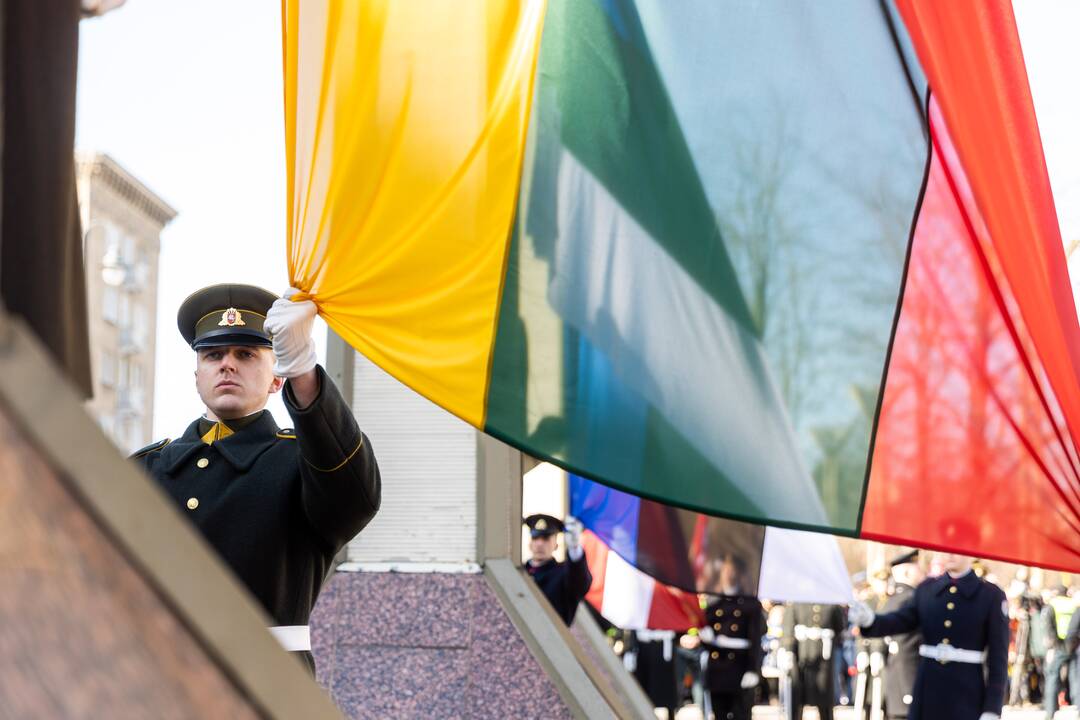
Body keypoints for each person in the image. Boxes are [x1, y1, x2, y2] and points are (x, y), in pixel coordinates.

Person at [131, 284, 381, 673]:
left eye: (246, 354)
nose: (227, 364)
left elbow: (355, 496)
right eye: (213, 355)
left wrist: (304, 373)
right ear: (197, 375)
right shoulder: (145, 468)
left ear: (276, 379)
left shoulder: (300, 462)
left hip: (265, 685)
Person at [850, 552, 1008, 720]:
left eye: (958, 549)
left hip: (967, 694)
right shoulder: (927, 590)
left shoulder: (990, 595)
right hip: (928, 691)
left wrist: (992, 708)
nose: (950, 555)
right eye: (946, 549)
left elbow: (998, 658)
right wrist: (871, 621)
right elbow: (902, 620)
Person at [698, 554, 765, 720]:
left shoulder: (750, 604)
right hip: (718, 669)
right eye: (726, 571)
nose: (728, 575)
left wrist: (753, 669)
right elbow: (707, 634)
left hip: (740, 668)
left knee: (741, 714)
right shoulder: (715, 604)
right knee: (719, 714)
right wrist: (705, 639)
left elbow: (756, 640)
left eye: (732, 571)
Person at [780, 601, 846, 720]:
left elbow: (839, 628)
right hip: (800, 654)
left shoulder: (832, 604)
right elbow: (788, 626)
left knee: (824, 696)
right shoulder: (796, 603)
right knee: (798, 696)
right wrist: (787, 649)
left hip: (823, 656)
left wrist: (827, 635)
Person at [523, 513, 591, 625]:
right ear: (530, 543)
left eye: (546, 538)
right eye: (535, 538)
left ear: (556, 544)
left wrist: (574, 548)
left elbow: (580, 583)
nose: (540, 543)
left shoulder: (563, 574)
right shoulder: (521, 571)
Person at [880, 550, 924, 720]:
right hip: (906, 680)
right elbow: (905, 648)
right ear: (906, 572)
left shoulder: (894, 599)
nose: (921, 571)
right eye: (916, 567)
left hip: (895, 681)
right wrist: (909, 688)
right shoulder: (908, 600)